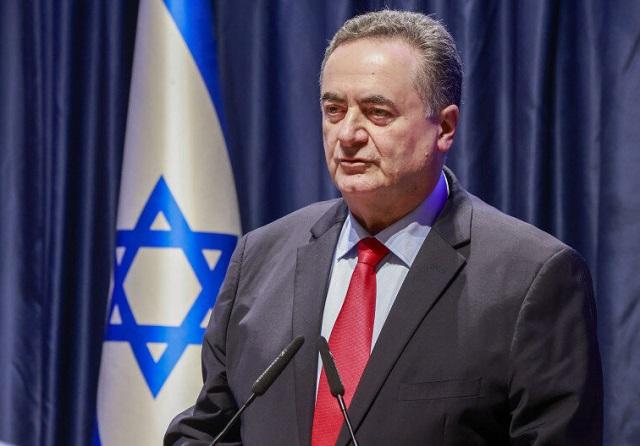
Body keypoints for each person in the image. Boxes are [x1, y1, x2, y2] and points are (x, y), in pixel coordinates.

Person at [165, 10, 602, 445]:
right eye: (334, 110)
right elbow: (207, 430)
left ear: (445, 127)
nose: (348, 134)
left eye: (377, 113)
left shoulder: (532, 279)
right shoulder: (259, 258)